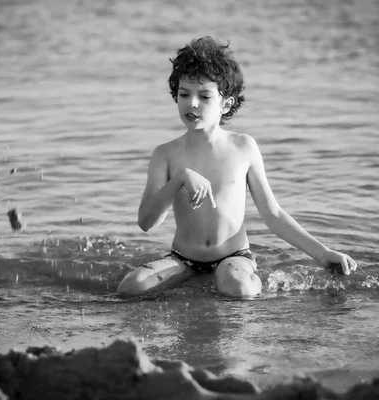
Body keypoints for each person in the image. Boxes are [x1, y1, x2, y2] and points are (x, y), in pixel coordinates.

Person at [117, 37, 358, 297]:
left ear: (226, 103)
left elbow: (273, 215)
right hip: (182, 259)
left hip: (233, 256)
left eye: (205, 96)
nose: (192, 103)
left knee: (239, 289)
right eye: (184, 94)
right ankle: (198, 282)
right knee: (131, 287)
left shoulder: (243, 147)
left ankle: (247, 277)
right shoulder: (164, 154)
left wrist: (323, 255)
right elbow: (146, 222)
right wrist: (180, 179)